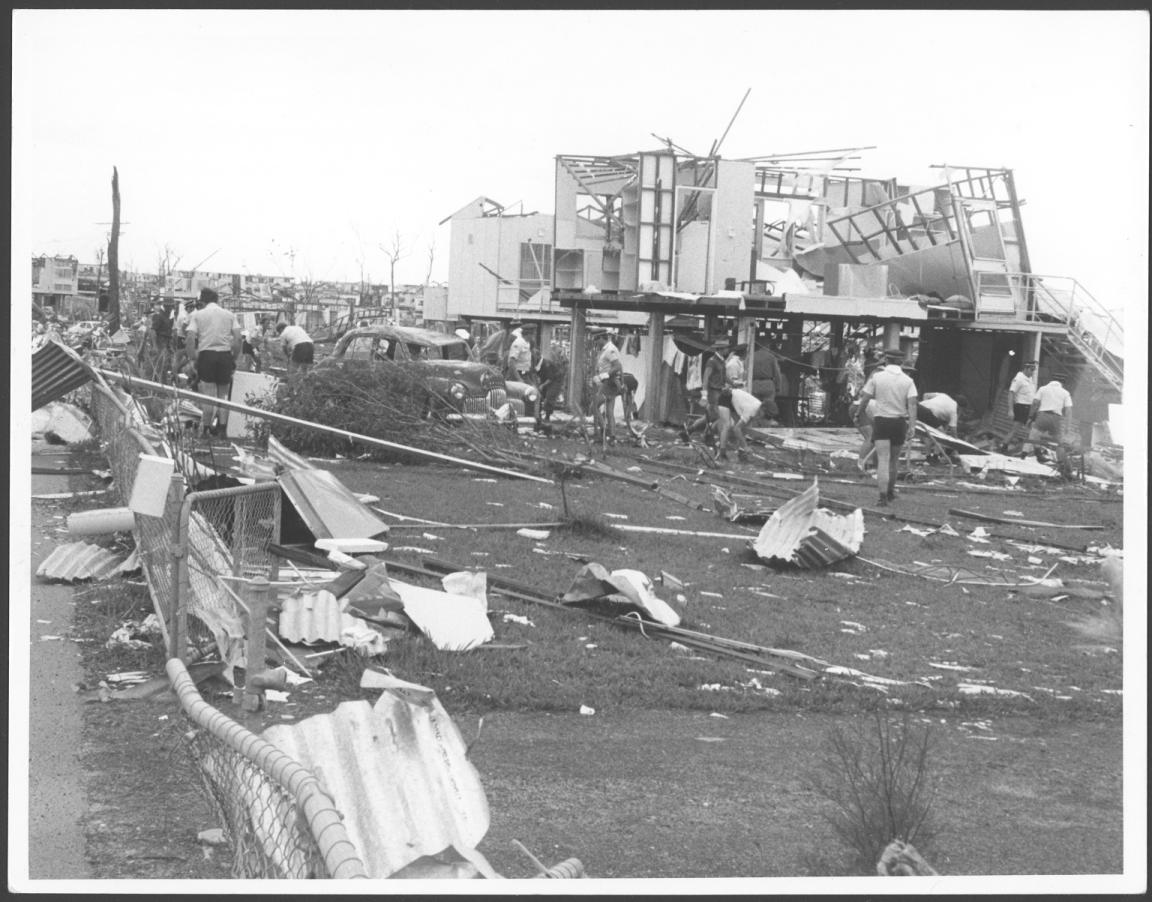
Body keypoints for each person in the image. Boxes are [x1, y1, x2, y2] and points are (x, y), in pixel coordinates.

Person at [855, 349, 918, 507]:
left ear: (886, 360)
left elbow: (865, 398)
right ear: (901, 362)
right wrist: (912, 425)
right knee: (894, 461)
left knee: (883, 459)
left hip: (882, 421)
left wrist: (858, 412)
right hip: (899, 422)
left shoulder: (877, 377)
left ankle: (882, 497)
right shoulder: (907, 381)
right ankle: (890, 493)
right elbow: (912, 404)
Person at [184, 288, 241, 437]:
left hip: (206, 356)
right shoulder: (229, 315)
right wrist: (233, 357)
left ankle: (207, 428)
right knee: (223, 395)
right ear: (217, 300)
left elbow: (190, 337)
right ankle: (222, 428)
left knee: (208, 394)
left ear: (202, 301)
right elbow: (238, 338)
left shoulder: (197, 315)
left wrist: (193, 357)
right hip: (225, 355)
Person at [1026, 372, 1074, 474]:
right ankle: (1064, 468)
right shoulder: (1065, 393)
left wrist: (1030, 417)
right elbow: (1069, 411)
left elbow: (1035, 403)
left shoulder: (1043, 389)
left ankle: (1039, 454)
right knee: (1060, 444)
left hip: (1043, 416)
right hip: (1057, 419)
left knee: (1034, 434)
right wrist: (1067, 427)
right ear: (1062, 383)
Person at [589, 330, 623, 443]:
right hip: (608, 382)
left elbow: (618, 366)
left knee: (594, 406)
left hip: (609, 381)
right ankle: (612, 436)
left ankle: (604, 430)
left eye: (596, 340)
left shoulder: (609, 349)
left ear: (602, 338)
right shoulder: (604, 350)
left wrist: (605, 375)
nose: (595, 343)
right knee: (609, 411)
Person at [715, 386, 762, 463]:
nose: (761, 418)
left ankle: (741, 452)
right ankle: (722, 453)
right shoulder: (751, 409)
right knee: (727, 425)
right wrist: (745, 446)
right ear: (763, 410)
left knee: (743, 427)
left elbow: (745, 427)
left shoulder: (758, 406)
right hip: (726, 396)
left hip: (735, 402)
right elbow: (736, 429)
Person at [1003, 359, 1038, 452]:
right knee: (1015, 429)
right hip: (1022, 407)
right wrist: (1010, 410)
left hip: (1029, 408)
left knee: (1034, 430)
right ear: (1026, 368)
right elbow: (1011, 393)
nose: (1032, 372)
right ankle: (1004, 446)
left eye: (1033, 370)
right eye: (1031, 370)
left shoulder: (1029, 379)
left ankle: (1029, 450)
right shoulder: (1019, 379)